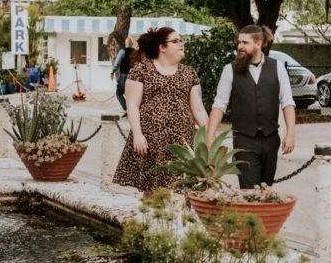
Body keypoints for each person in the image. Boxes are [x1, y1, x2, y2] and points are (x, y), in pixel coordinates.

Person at [113, 27, 208, 193]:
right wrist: (138, 134)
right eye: (176, 41)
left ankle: (176, 218)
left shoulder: (189, 73)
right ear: (162, 47)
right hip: (151, 142)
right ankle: (152, 218)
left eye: (181, 40)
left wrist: (210, 135)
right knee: (152, 192)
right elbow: (133, 105)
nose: (181, 44)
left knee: (181, 190)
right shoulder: (141, 70)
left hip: (182, 142)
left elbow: (198, 109)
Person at [206, 24, 295, 189]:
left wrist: (290, 134)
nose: (240, 46)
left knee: (265, 189)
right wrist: (210, 136)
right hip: (244, 139)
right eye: (239, 42)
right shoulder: (229, 70)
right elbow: (219, 105)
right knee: (248, 192)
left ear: (258, 44)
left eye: (245, 42)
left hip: (271, 138)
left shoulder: (277, 67)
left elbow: (287, 102)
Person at [109, 37, 135, 111]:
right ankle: (132, 109)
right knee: (131, 94)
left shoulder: (122, 51)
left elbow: (116, 64)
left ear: (125, 44)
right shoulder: (135, 52)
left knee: (119, 93)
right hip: (134, 76)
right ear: (132, 44)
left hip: (124, 75)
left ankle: (127, 109)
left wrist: (112, 72)